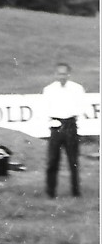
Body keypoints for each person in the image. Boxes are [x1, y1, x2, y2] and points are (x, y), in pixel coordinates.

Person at [43, 62, 85, 198]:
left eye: (64, 73)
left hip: (71, 125)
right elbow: (45, 108)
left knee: (73, 160)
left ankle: (76, 191)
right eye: (59, 73)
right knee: (52, 160)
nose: (62, 76)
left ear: (69, 74)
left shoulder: (77, 89)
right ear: (55, 74)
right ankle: (50, 192)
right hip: (56, 125)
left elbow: (81, 107)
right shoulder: (49, 90)